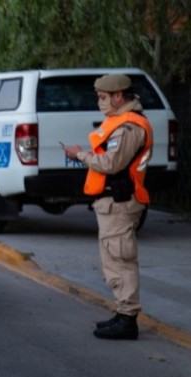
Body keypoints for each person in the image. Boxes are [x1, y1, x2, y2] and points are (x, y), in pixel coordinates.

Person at [62, 74, 153, 340]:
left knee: (121, 260)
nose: (99, 102)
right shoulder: (119, 123)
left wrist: (80, 154)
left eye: (103, 97)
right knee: (114, 259)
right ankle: (122, 313)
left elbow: (112, 163)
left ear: (118, 96)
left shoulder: (129, 127)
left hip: (121, 202)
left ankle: (127, 319)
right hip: (113, 202)